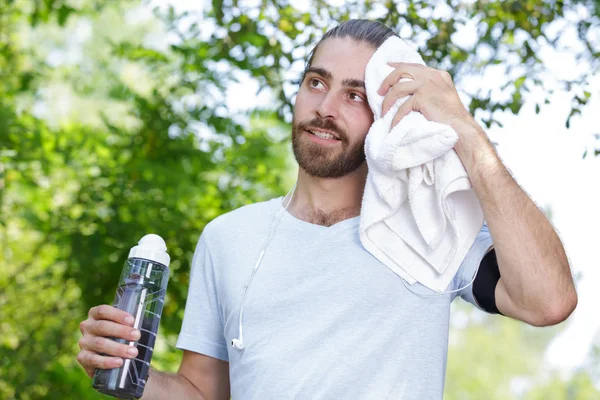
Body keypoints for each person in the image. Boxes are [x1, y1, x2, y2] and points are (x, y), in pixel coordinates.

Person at [77, 19, 577, 399]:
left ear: (388, 117)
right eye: (317, 82)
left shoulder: (430, 229)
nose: (326, 107)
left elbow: (548, 301)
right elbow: (205, 392)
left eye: (355, 94)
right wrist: (126, 367)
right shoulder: (228, 238)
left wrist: (465, 132)